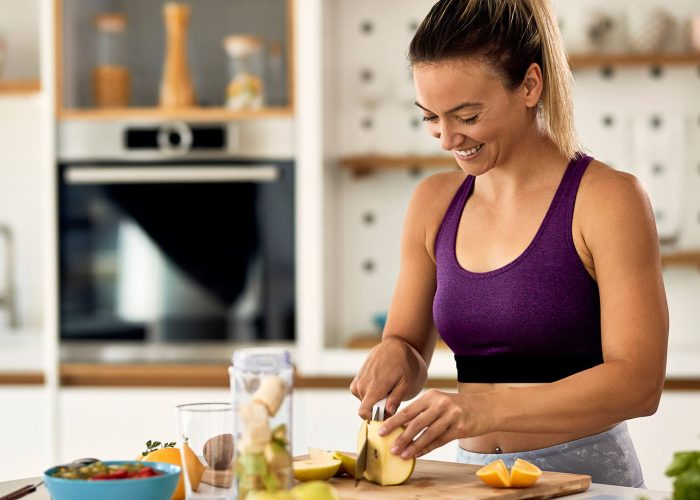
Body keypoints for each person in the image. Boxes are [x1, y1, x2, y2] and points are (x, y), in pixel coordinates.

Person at [349, 0, 668, 488]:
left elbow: (639, 384)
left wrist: (485, 409)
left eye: (467, 115)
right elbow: (410, 348)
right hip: (472, 480)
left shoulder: (607, 199)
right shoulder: (434, 203)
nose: (447, 138)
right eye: (430, 117)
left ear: (530, 85)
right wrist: (396, 353)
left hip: (588, 480)